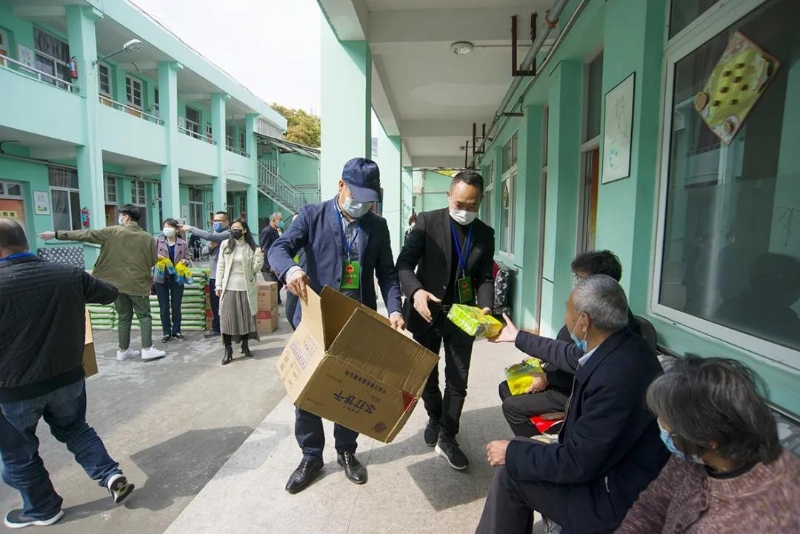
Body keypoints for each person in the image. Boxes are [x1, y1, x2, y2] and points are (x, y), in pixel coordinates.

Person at [478, 275, 668, 534]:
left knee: (510, 472)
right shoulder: (624, 345)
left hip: (611, 497)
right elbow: (566, 353)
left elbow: (578, 463)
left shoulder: (615, 378)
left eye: (567, 310)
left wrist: (510, 454)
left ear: (584, 322)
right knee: (521, 445)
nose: (565, 319)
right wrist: (518, 337)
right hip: (609, 470)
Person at [269, 157, 405, 494]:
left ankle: (346, 451)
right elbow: (279, 248)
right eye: (356, 196)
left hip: (356, 321)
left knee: (351, 389)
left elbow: (387, 273)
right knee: (308, 390)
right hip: (315, 318)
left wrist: (394, 309)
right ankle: (311, 456)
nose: (362, 205)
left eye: (369, 199)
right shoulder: (311, 216)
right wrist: (291, 270)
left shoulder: (377, 226)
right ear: (341, 185)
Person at [0, 219, 134, 528]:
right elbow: (109, 293)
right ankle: (110, 474)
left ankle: (43, 509)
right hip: (67, 377)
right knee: (76, 429)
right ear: (24, 242)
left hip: (14, 389)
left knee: (18, 452)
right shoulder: (68, 275)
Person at [616, 356, 800, 533]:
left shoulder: (759, 519)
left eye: (668, 427)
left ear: (709, 441)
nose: (661, 426)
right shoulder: (694, 453)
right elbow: (651, 506)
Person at [396, 170, 495, 470]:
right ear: (449, 195)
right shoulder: (427, 222)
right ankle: (435, 417)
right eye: (459, 204)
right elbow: (404, 264)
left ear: (480, 201)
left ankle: (448, 436)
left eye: (472, 205)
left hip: (463, 317)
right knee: (427, 374)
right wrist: (415, 292)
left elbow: (484, 277)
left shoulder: (485, 233)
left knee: (458, 379)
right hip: (427, 310)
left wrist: (486, 306)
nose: (464, 210)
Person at [498, 250, 642, 438]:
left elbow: (577, 361)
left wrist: (549, 378)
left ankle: (544, 442)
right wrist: (541, 357)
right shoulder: (592, 310)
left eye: (581, 279)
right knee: (506, 387)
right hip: (560, 376)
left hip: (569, 387)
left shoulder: (606, 323)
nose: (576, 284)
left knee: (513, 407)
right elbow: (566, 350)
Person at [38, 204, 166, 362]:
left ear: (126, 217)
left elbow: (86, 234)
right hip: (137, 284)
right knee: (144, 316)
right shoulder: (147, 237)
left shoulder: (112, 232)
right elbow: (153, 260)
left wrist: (56, 234)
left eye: (121, 215)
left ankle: (123, 350)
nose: (119, 218)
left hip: (117, 284)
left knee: (123, 317)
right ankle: (147, 349)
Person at [215, 218, 264, 365]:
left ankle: (245, 346)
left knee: (245, 320)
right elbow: (220, 266)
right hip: (228, 288)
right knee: (227, 321)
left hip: (246, 289)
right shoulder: (226, 244)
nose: (234, 230)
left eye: (237, 228)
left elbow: (255, 269)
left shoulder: (251, 247)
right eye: (232, 228)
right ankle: (228, 350)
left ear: (244, 230)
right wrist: (218, 285)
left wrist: (259, 256)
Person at [180, 212, 231, 338]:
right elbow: (203, 251)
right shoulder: (215, 236)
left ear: (226, 222)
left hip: (225, 275)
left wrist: (191, 228)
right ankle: (217, 328)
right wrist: (211, 246)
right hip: (213, 275)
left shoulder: (227, 234)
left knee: (226, 304)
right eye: (214, 221)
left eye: (219, 221)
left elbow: (209, 236)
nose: (216, 223)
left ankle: (227, 327)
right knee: (215, 304)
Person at [154, 218, 191, 343]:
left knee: (176, 305)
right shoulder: (157, 241)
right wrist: (156, 257)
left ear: (176, 230)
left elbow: (188, 258)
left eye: (170, 227)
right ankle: (166, 332)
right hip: (161, 277)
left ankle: (177, 331)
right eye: (165, 226)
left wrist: (185, 261)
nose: (167, 229)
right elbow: (150, 257)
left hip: (177, 278)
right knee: (164, 306)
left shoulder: (182, 243)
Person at [259, 212, 283, 305]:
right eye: (280, 220)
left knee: (279, 283)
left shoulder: (277, 230)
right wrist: (269, 265)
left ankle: (276, 301)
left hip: (276, 262)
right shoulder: (267, 231)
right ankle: (274, 304)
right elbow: (264, 249)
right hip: (268, 265)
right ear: (273, 220)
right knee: (273, 284)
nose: (281, 222)